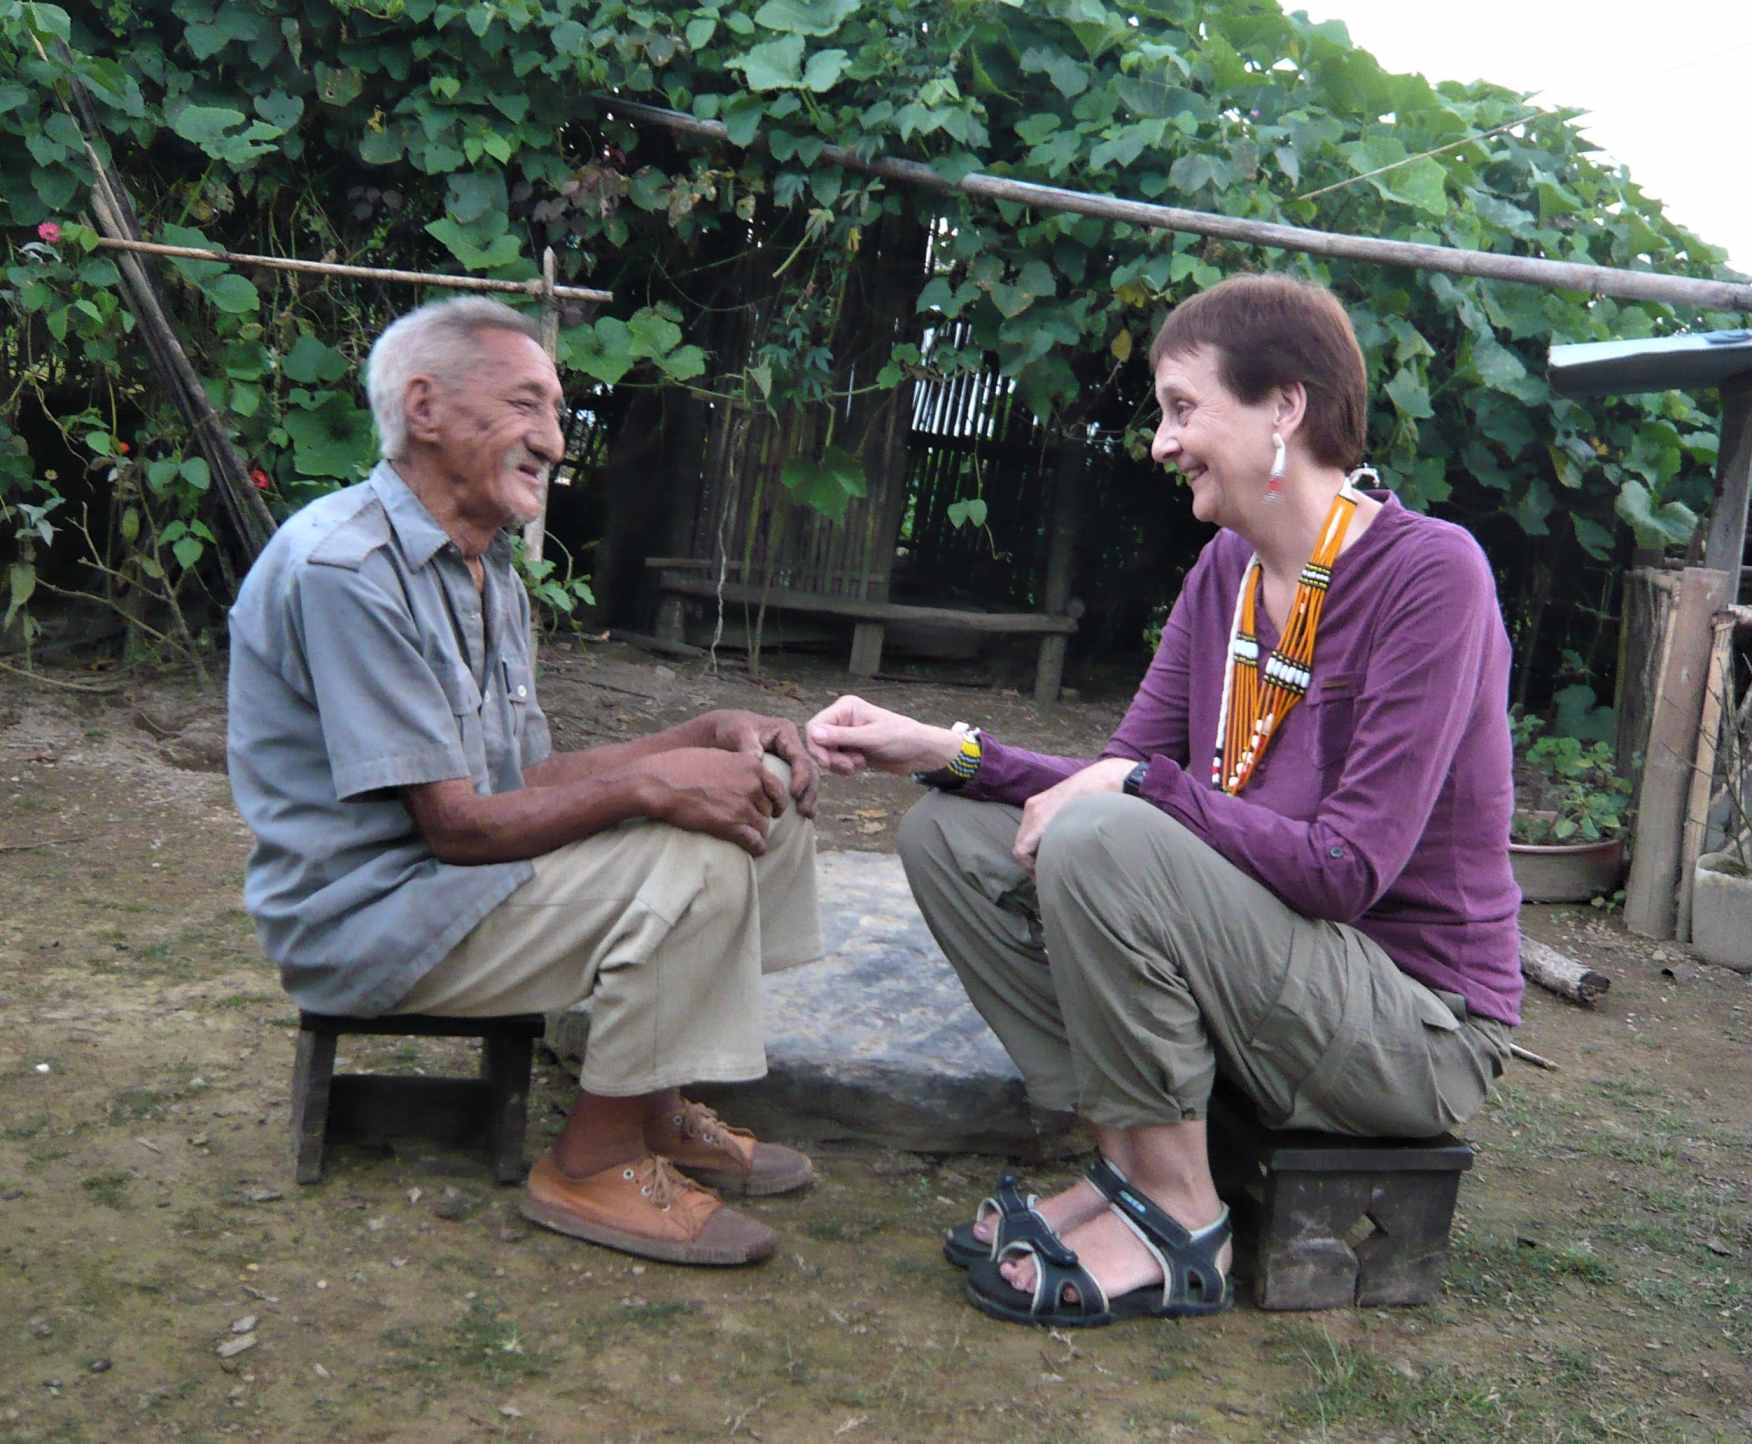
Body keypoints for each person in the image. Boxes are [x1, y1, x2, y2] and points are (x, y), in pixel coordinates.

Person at [806, 272, 1521, 1327]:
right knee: (953, 835)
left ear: (1285, 405)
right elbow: (1111, 783)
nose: (1158, 442)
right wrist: (944, 751)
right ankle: (1128, 1162)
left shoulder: (1430, 574)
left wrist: (1141, 786)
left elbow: (1344, 869)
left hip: (1412, 1024)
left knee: (1103, 829)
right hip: (1273, 983)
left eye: (1183, 409)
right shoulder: (1224, 574)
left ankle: (1182, 1218)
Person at [227, 296, 823, 1268]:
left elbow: (530, 777)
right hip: (371, 919)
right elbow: (458, 828)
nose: (553, 439)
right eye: (527, 406)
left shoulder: (482, 565)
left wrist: (704, 735)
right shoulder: (347, 569)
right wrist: (654, 789)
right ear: (425, 408)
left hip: (453, 885)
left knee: (758, 785)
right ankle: (591, 1161)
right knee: (696, 855)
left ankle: (655, 1105)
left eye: (556, 412)